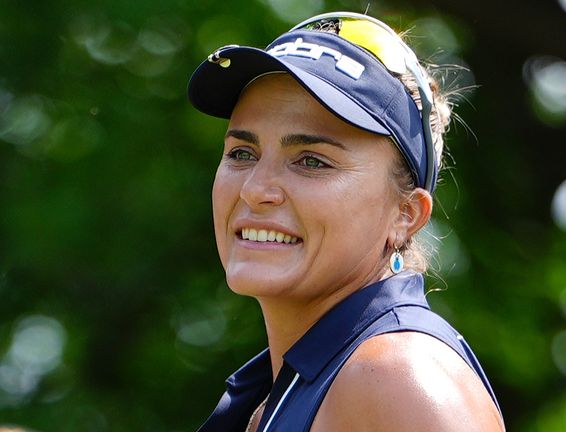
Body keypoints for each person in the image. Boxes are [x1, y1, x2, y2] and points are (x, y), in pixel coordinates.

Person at [187, 11, 504, 432]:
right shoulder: (283, 389)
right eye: (242, 153)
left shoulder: (397, 379)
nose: (255, 189)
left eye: (312, 161)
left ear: (405, 215)